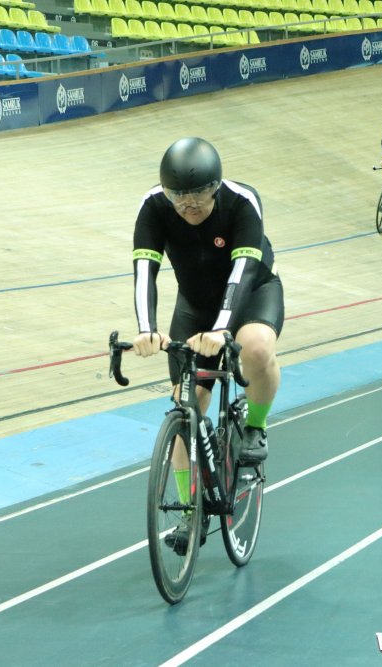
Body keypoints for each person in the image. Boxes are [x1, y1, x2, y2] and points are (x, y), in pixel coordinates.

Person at [131, 137, 284, 550]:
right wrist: (146, 328)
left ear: (215, 186)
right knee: (186, 407)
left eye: (198, 193)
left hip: (251, 294)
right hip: (195, 306)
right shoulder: (154, 207)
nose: (188, 204)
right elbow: (144, 270)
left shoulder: (242, 202)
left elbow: (242, 272)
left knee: (255, 347)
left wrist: (221, 330)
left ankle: (255, 426)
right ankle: (189, 511)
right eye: (178, 195)